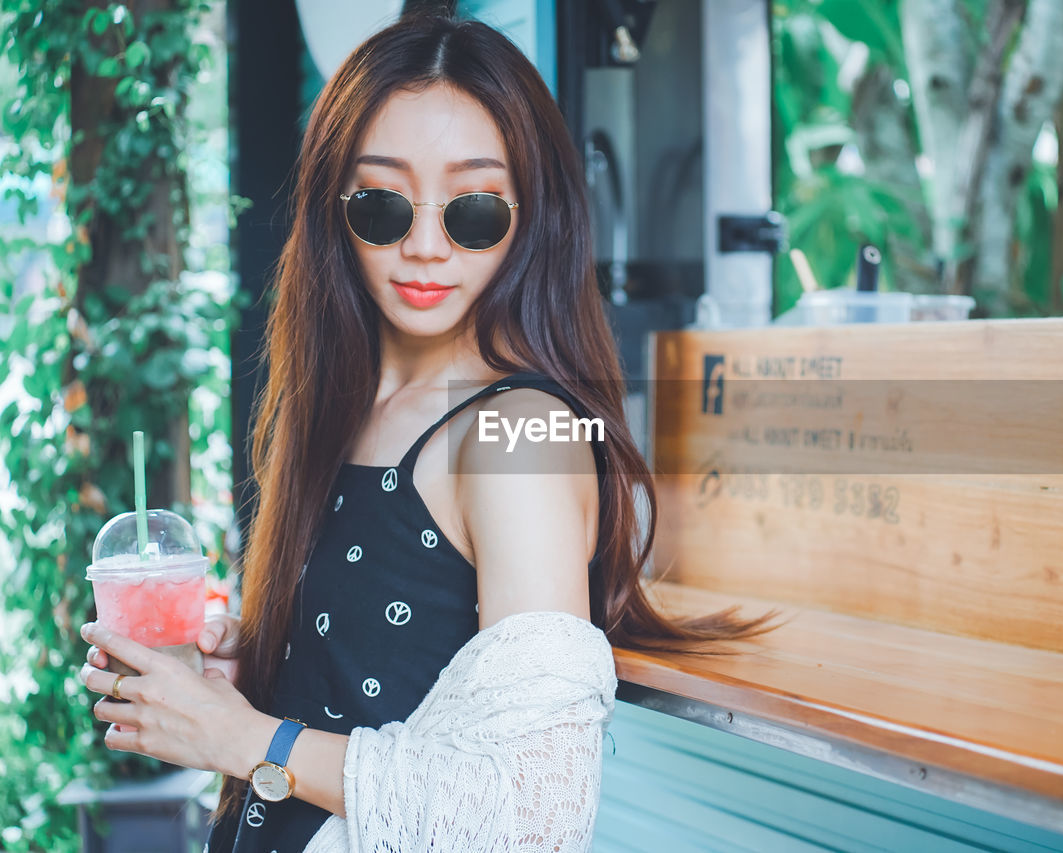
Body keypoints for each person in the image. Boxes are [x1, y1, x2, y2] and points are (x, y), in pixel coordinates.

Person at [78, 11, 780, 852]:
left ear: (532, 212)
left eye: (474, 210)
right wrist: (244, 681)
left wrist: (244, 738)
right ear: (335, 209)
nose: (422, 247)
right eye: (382, 205)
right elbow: (370, 687)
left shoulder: (519, 434)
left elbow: (534, 811)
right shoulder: (342, 404)